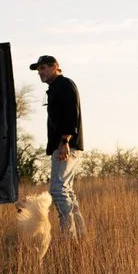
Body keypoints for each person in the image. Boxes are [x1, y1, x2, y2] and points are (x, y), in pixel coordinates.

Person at [30, 54, 85, 238]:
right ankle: (79, 235)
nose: (40, 72)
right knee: (66, 190)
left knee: (57, 190)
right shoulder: (55, 88)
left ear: (55, 67)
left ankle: (69, 237)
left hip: (66, 145)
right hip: (63, 144)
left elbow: (71, 114)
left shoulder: (64, 85)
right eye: (38, 69)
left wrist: (64, 141)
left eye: (43, 68)